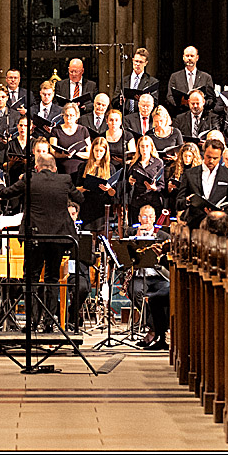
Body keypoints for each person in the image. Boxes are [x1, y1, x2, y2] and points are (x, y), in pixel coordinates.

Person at [0, 154, 82, 333]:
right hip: (58, 238)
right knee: (52, 279)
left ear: (37, 167)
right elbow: (79, 199)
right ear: (55, 168)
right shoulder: (65, 179)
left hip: (34, 236)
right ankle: (49, 323)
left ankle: (31, 323)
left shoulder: (30, 179)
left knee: (31, 279)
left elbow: (5, 194)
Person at [123, 204, 170, 350]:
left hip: (159, 276)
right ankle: (155, 327)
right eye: (144, 216)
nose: (147, 220)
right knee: (135, 292)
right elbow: (125, 256)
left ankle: (153, 331)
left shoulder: (163, 236)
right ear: (139, 218)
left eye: (150, 217)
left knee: (165, 292)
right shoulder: (131, 234)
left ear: (155, 218)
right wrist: (136, 238)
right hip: (138, 275)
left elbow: (169, 260)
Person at [176, 138, 228, 227]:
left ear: (220, 157)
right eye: (208, 157)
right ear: (203, 154)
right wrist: (188, 201)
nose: (211, 161)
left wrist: (220, 213)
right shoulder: (190, 174)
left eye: (215, 158)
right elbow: (178, 203)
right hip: (194, 224)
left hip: (219, 225)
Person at [76, 137, 119, 232]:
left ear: (105, 151)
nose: (98, 153)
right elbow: (77, 187)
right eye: (96, 150)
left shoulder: (110, 167)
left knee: (102, 234)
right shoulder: (84, 166)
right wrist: (85, 187)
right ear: (92, 151)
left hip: (103, 206)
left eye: (101, 151)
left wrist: (108, 189)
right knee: (88, 234)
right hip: (87, 204)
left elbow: (113, 193)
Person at [166, 46, 215, 113]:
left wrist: (198, 104)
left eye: (192, 56)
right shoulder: (175, 77)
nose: (189, 58)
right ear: (183, 57)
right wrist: (181, 104)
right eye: (187, 56)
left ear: (197, 58)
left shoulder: (206, 77)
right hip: (180, 114)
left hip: (201, 115)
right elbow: (169, 97)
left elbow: (211, 99)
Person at [127, 135, 165, 218]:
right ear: (139, 148)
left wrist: (155, 188)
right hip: (138, 200)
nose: (144, 149)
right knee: (136, 227)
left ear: (151, 147)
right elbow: (127, 184)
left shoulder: (158, 163)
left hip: (153, 200)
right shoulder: (134, 164)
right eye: (142, 146)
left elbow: (162, 185)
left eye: (147, 146)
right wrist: (130, 182)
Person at [50, 103, 91, 176]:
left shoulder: (83, 130)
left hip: (80, 168)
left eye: (72, 115)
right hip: (61, 167)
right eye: (66, 115)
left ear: (77, 116)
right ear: (63, 116)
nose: (69, 118)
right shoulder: (56, 130)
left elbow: (89, 153)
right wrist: (64, 155)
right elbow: (52, 152)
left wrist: (75, 153)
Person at [120, 48, 159, 115]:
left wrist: (144, 100)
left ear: (146, 63)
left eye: (141, 62)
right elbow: (115, 99)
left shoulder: (152, 82)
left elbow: (155, 102)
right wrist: (120, 100)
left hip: (142, 115)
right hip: (125, 115)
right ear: (132, 60)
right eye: (136, 61)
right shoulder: (123, 80)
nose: (137, 64)